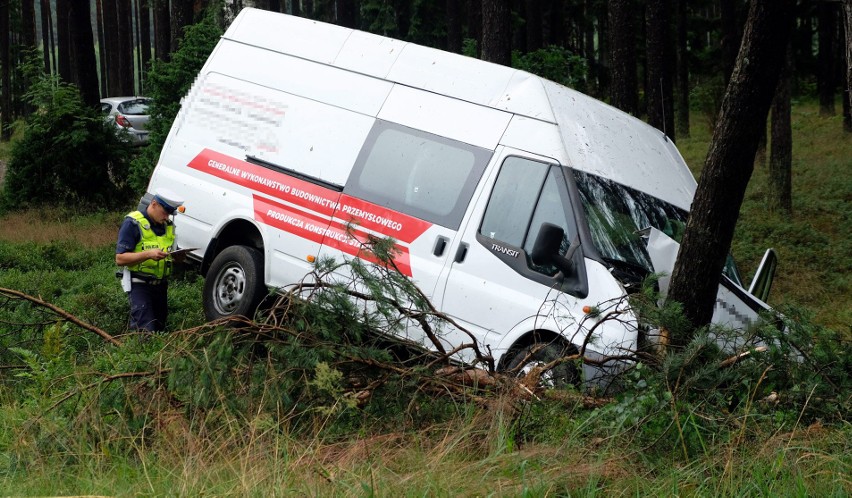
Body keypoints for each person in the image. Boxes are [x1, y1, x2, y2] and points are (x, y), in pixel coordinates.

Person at [115, 187, 185, 332]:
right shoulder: (132, 223)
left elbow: (172, 250)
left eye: (169, 214)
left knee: (159, 329)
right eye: (165, 212)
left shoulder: (168, 227)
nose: (166, 217)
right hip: (139, 285)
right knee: (146, 330)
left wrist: (178, 257)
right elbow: (120, 258)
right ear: (154, 204)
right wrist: (148, 254)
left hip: (160, 287)